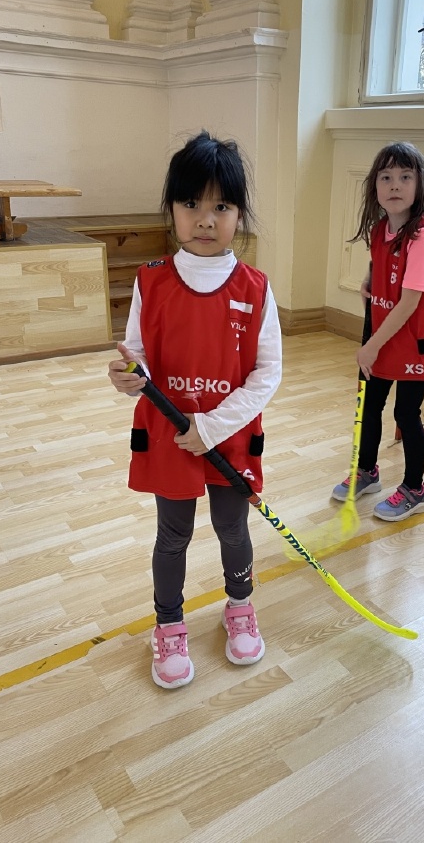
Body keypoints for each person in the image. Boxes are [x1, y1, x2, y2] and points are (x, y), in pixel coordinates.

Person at [108, 131, 282, 689]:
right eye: (191, 204)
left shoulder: (255, 287)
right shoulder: (151, 279)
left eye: (221, 206)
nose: (205, 220)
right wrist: (128, 377)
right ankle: (169, 624)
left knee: (232, 527)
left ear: (239, 215)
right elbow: (138, 356)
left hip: (228, 435)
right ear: (173, 209)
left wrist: (212, 425)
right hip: (170, 436)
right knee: (173, 535)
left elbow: (267, 373)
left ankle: (240, 606)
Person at [332, 142, 424, 521]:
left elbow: (410, 301)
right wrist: (369, 278)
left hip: (414, 341)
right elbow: (382, 263)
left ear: (420, 185)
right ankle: (367, 471)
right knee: (370, 405)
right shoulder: (380, 229)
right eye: (386, 177)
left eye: (405, 177)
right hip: (383, 334)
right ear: (375, 186)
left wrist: (371, 346)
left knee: (406, 413)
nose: (395, 185)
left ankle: (415, 489)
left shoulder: (423, 237)